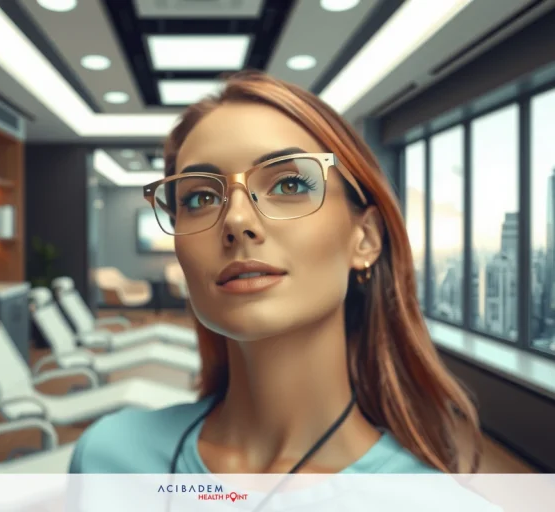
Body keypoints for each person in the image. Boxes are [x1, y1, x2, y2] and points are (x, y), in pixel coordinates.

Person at [69, 71, 481, 476]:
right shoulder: (108, 459)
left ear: (365, 238)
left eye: (288, 185)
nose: (236, 220)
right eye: (200, 198)